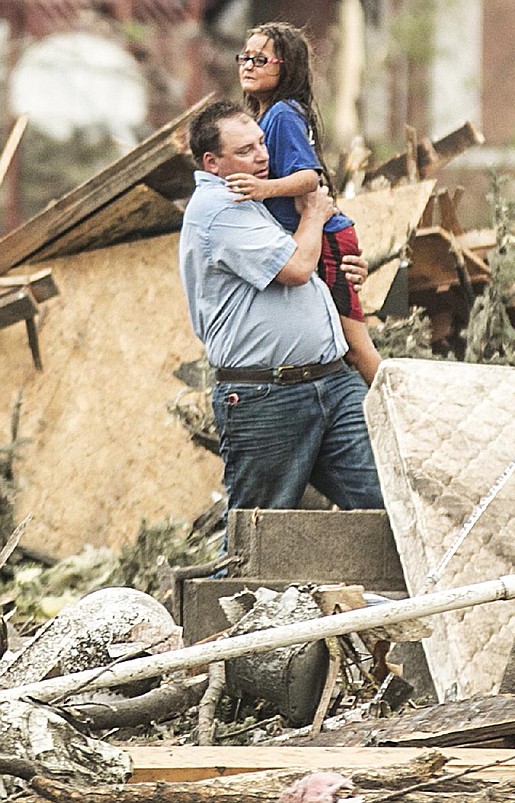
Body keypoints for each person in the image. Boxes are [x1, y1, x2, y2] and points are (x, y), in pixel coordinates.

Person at [179, 99, 384, 513]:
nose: (261, 157)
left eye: (261, 143)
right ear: (212, 162)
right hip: (266, 395)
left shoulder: (258, 199)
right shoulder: (218, 209)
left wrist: (345, 270)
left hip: (331, 381)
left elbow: (308, 263)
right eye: (245, 151)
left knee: (384, 503)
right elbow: (294, 267)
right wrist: (313, 212)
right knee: (258, 532)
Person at [226, 21, 383, 386]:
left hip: (326, 236)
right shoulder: (267, 117)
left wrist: (261, 190)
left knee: (355, 344)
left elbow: (309, 178)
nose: (248, 65)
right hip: (310, 236)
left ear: (286, 66)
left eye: (260, 59)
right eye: (244, 57)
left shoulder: (282, 115)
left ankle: (406, 417)